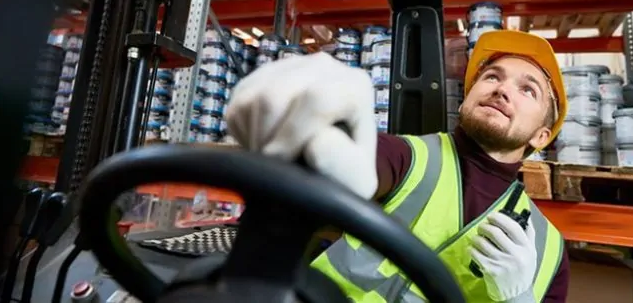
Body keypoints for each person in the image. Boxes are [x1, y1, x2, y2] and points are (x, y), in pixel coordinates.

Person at [226, 30, 570, 302]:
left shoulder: (549, 253)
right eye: (492, 77)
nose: (503, 89)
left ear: (541, 136)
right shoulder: (408, 156)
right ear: (467, 97)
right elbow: (354, 163)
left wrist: (519, 298)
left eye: (528, 90)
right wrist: (315, 135)